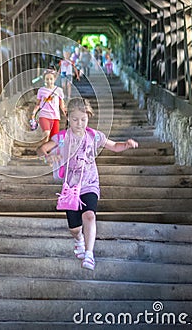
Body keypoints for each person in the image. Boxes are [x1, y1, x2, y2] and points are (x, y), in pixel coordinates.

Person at [36, 98, 138, 270]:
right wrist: (48, 156)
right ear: (67, 118)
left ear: (88, 117)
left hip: (90, 183)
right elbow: (41, 149)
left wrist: (126, 145)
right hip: (71, 188)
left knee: (89, 215)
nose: (79, 123)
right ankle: (79, 239)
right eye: (75, 119)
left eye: (83, 119)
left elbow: (114, 146)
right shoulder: (62, 137)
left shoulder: (94, 135)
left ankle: (89, 254)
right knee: (75, 228)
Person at [31, 69, 66, 141]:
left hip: (55, 116)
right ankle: (44, 151)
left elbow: (62, 105)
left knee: (54, 139)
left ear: (54, 79)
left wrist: (66, 114)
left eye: (51, 79)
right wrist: (34, 112)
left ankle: (47, 150)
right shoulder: (41, 90)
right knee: (46, 134)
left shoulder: (59, 90)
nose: (49, 81)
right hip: (44, 115)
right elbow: (38, 104)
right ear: (44, 79)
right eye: (47, 79)